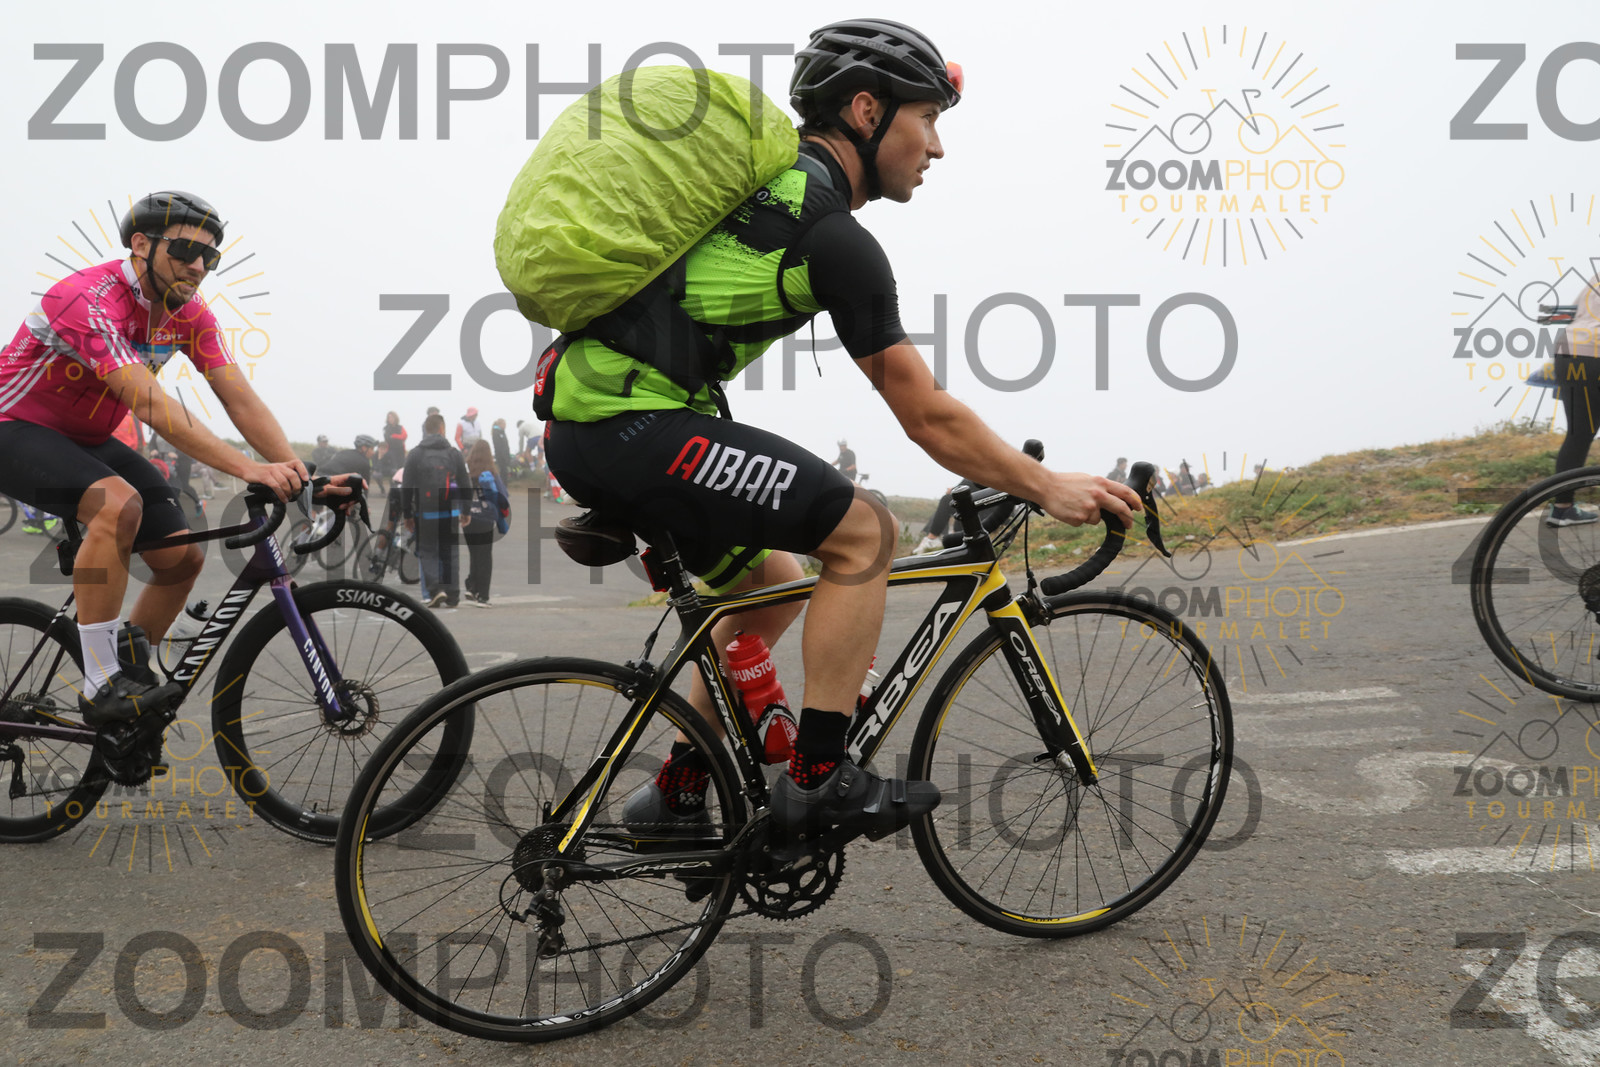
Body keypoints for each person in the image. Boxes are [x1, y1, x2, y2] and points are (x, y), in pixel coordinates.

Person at [540, 20, 1138, 842]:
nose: (936, 147)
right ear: (866, 110)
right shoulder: (827, 234)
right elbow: (924, 414)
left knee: (771, 583)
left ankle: (677, 792)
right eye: (927, 118)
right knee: (866, 534)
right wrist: (1043, 484)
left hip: (595, 419)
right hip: (628, 422)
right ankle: (821, 781)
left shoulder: (770, 190)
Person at [0, 190, 346, 725]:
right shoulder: (87, 298)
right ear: (141, 244)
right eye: (186, 250)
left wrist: (303, 477)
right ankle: (100, 686)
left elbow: (239, 399)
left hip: (85, 436)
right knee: (117, 505)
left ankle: (129, 684)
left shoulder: (190, 314)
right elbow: (150, 404)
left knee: (182, 558)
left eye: (210, 256)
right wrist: (249, 468)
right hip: (14, 426)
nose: (199, 266)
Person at [401, 413, 469, 608]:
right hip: (450, 512)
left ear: (426, 430)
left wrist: (407, 514)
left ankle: (436, 590)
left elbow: (406, 487)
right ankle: (453, 595)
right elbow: (465, 483)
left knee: (428, 551)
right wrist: (466, 510)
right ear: (442, 429)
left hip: (426, 512)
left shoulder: (416, 454)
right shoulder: (454, 453)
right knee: (450, 552)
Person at [462, 439, 510, 607]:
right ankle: (483, 596)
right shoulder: (492, 474)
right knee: (484, 557)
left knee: (474, 555)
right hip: (485, 520)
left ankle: (472, 587)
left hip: (468, 519)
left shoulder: (467, 472)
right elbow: (503, 496)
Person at [378, 411, 407, 491]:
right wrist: (398, 437)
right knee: (393, 469)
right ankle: (393, 488)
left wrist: (394, 436)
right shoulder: (386, 428)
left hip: (400, 451)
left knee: (401, 469)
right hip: (390, 451)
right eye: (389, 417)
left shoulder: (400, 427)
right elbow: (387, 438)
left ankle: (400, 487)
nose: (390, 419)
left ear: (395, 418)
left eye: (392, 417)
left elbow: (404, 436)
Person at [491, 417, 513, 485]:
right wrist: (503, 456)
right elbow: (498, 446)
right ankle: (502, 485)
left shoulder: (502, 432)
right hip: (500, 456)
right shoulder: (496, 432)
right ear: (500, 424)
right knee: (503, 471)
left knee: (505, 471)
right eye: (504, 424)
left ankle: (504, 485)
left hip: (505, 455)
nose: (505, 426)